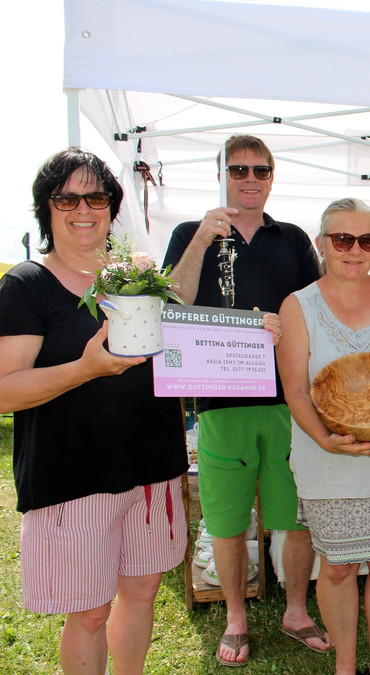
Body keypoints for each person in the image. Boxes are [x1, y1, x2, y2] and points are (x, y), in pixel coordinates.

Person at [0, 148, 187, 675]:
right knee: (87, 613)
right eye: (66, 198)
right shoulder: (27, 285)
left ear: (111, 205)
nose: (83, 209)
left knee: (144, 590)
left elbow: (184, 352)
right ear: (47, 208)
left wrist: (248, 334)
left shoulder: (143, 279)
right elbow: (4, 391)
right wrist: (85, 369)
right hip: (73, 473)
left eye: (96, 196)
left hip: (151, 467)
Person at [163, 134, 328, 666]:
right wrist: (201, 241)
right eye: (239, 169)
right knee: (228, 520)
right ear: (222, 174)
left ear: (272, 177)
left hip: (287, 400)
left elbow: (316, 311)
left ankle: (296, 611)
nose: (250, 178)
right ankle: (236, 615)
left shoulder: (294, 238)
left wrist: (289, 330)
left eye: (260, 170)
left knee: (297, 515)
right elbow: (169, 304)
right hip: (219, 403)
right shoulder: (191, 233)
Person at [277, 198, 370, 675]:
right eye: (343, 239)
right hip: (327, 458)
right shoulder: (298, 305)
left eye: (367, 240)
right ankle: (346, 664)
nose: (354, 250)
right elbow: (296, 390)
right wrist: (325, 439)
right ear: (322, 243)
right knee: (338, 567)